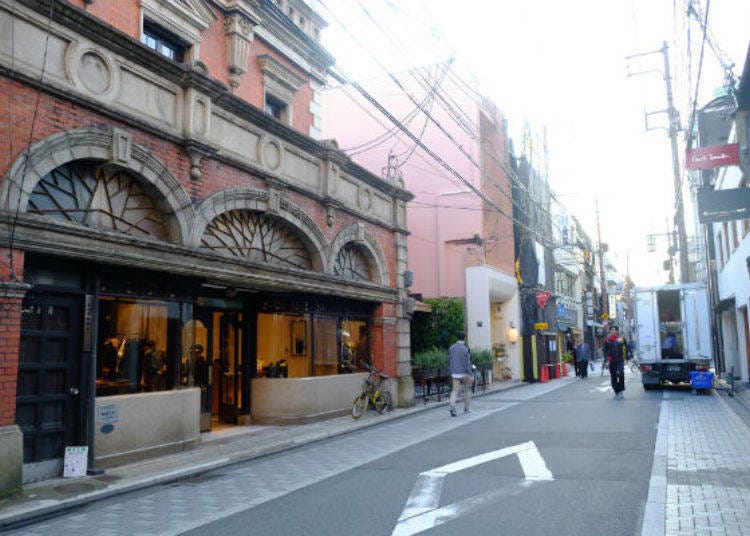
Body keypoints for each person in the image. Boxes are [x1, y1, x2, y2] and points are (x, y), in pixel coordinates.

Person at [448, 332, 474, 417]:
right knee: (466, 390)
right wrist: (471, 374)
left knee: (454, 391)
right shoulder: (466, 348)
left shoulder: (451, 348)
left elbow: (449, 360)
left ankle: (452, 406)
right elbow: (468, 362)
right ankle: (466, 408)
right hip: (464, 373)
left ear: (457, 338)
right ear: (464, 338)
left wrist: (452, 370)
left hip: (455, 373)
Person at [603, 325, 626, 399]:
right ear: (610, 331)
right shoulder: (607, 340)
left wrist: (627, 356)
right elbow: (605, 351)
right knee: (614, 376)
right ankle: (617, 391)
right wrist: (606, 361)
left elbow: (626, 348)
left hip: (620, 360)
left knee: (621, 373)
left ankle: (621, 389)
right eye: (611, 330)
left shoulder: (621, 339)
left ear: (617, 331)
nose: (613, 331)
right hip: (611, 361)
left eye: (614, 330)